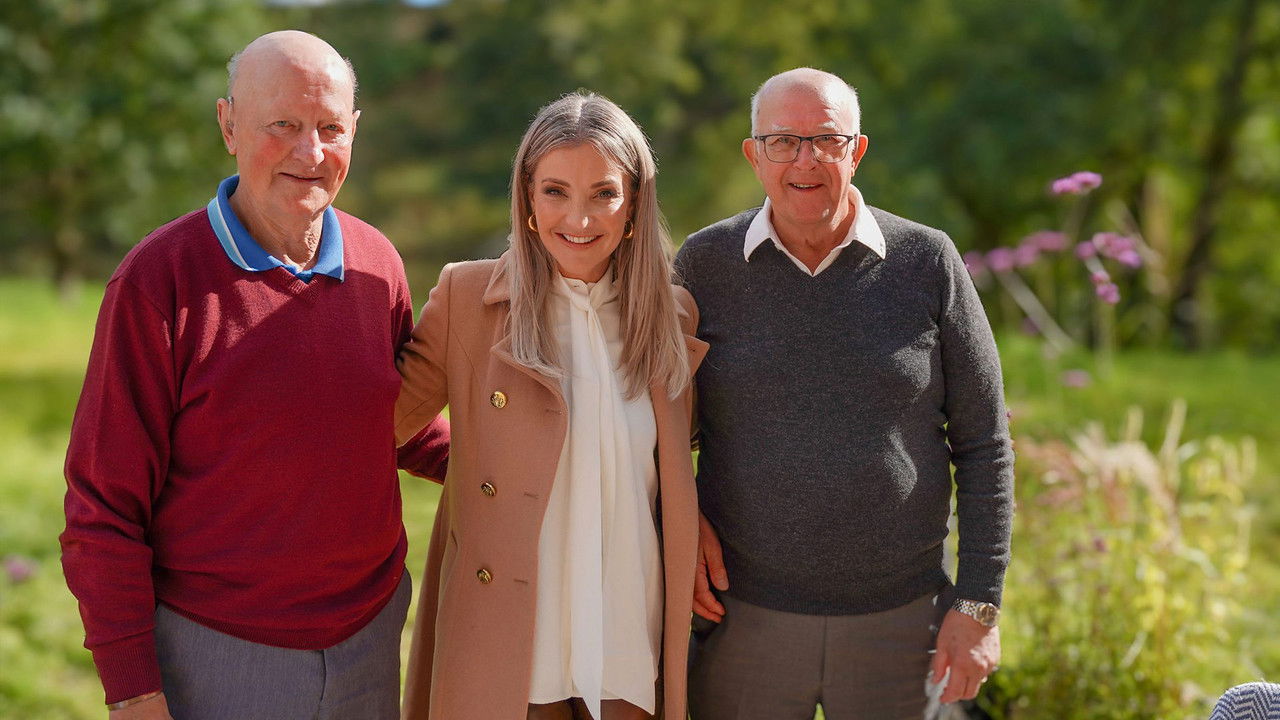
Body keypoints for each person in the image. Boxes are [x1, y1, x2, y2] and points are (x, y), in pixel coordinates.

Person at [60, 31, 449, 720]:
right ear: (229, 126)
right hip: (215, 651)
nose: (311, 152)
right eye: (283, 126)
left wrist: (533, 459)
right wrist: (134, 692)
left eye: (331, 128)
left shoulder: (377, 263)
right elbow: (103, 508)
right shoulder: (158, 280)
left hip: (370, 637)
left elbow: (393, 420)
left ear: (355, 130)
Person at [675, 67, 1014, 719]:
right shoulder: (704, 265)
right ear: (753, 155)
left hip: (903, 624)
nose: (805, 160)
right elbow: (652, 426)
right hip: (741, 620)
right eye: (782, 141)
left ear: (856, 151)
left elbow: (985, 445)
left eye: (826, 140)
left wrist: (977, 605)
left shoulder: (928, 262)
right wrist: (680, 519)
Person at [394, 92, 706, 720]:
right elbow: (381, 424)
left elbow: (677, 468)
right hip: (511, 629)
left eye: (604, 194)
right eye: (556, 191)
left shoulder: (672, 317)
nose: (579, 218)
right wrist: (472, 463)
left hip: (627, 622)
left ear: (635, 204)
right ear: (527, 201)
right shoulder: (468, 298)